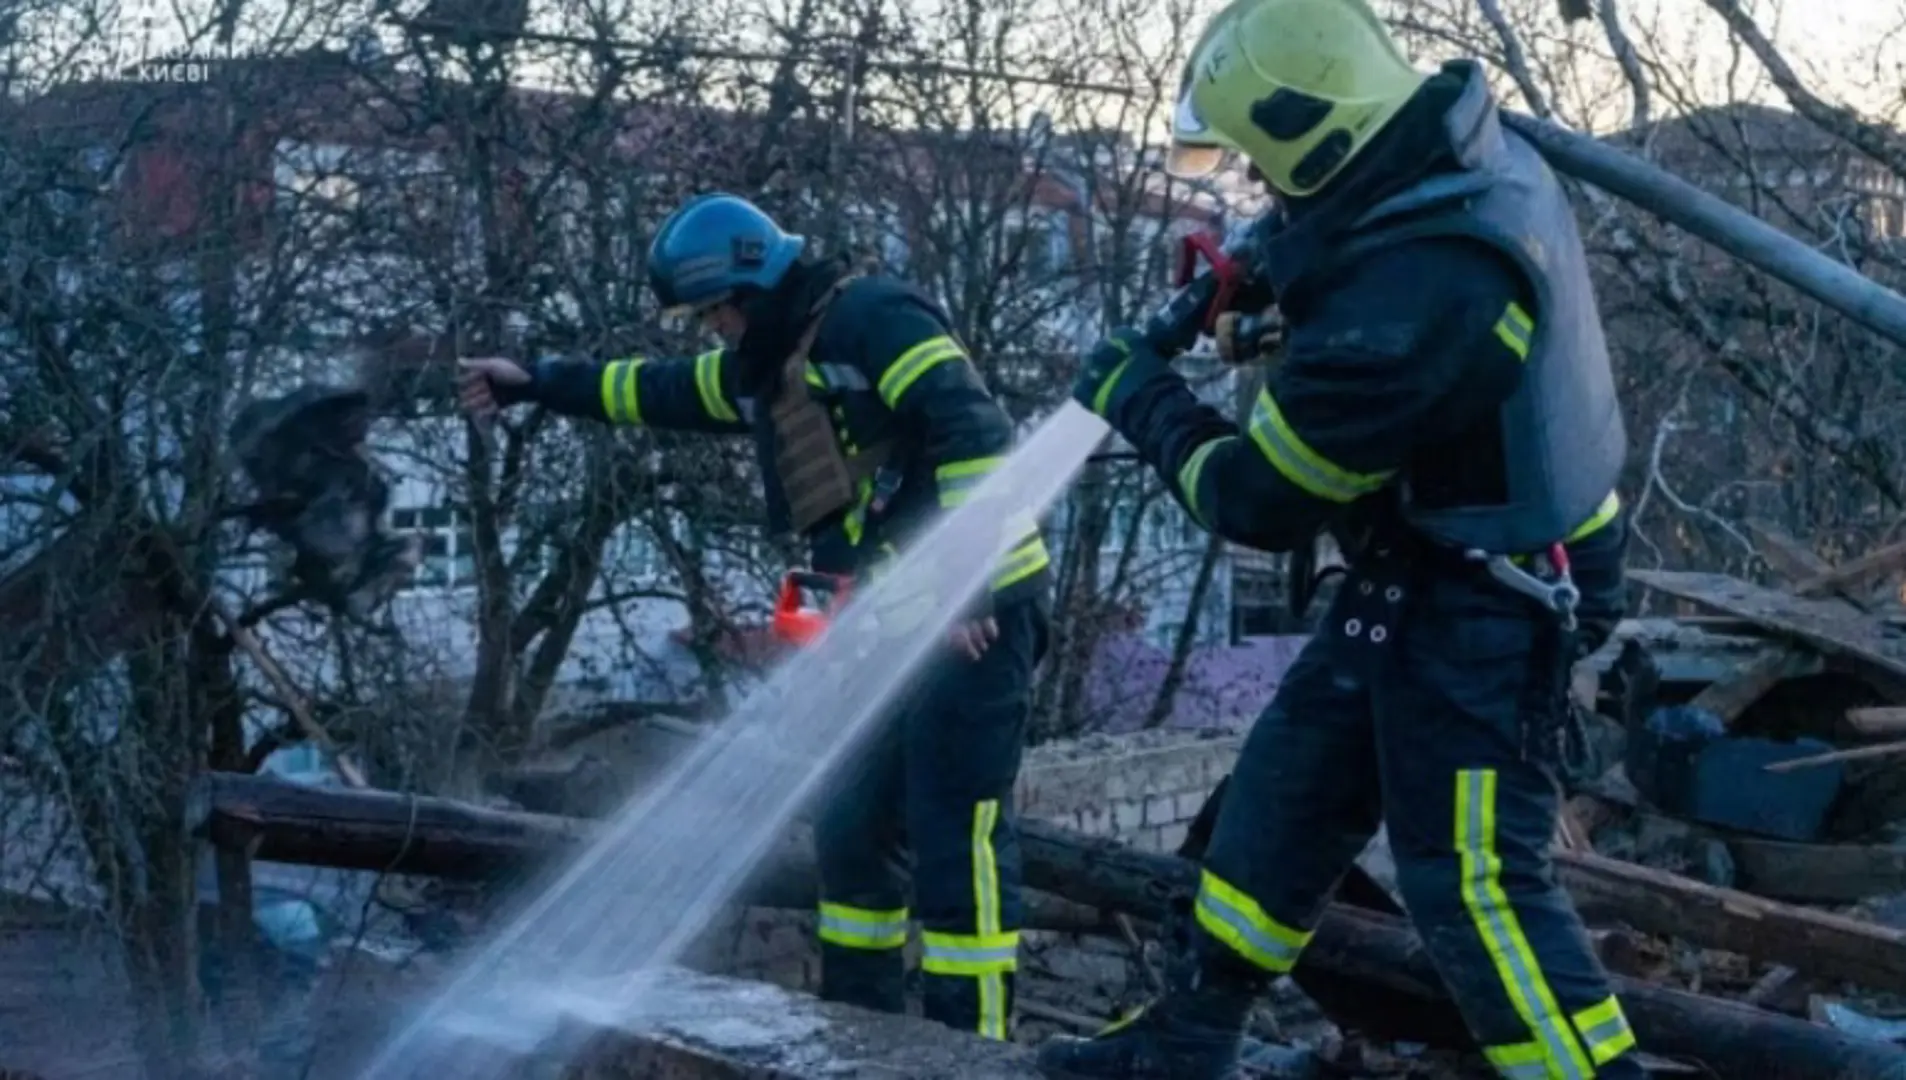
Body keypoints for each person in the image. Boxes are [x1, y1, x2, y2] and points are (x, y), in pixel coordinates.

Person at [1038, 0, 1640, 1077]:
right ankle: (1185, 1044)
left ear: (1316, 135)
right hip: (1420, 566)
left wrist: (1142, 397)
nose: (1262, 191)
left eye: (1268, 168)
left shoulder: (1424, 291)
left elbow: (1256, 499)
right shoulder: (1442, 156)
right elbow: (1342, 232)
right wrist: (1261, 278)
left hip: (1486, 605)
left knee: (1473, 883)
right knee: (1278, 805)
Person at [457, 192, 1051, 1041]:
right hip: (881, 628)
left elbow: (975, 435)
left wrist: (964, 583)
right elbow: (654, 390)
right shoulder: (768, 366)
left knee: (957, 838)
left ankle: (973, 1053)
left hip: (974, 622)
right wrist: (536, 385)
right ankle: (864, 1043)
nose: (715, 331)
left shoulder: (877, 318)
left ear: (753, 283)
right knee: (851, 834)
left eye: (717, 312)